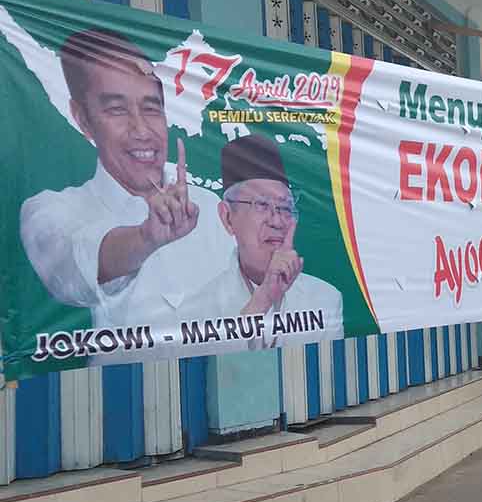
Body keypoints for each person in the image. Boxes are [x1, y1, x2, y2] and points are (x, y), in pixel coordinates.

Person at [19, 28, 233, 358]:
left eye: (151, 108)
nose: (141, 130)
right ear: (83, 119)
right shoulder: (50, 211)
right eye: (117, 110)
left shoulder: (210, 208)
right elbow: (75, 267)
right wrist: (146, 237)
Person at [179, 134, 342, 352]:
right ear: (228, 218)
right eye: (262, 205)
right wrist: (263, 298)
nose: (276, 220)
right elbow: (214, 368)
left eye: (284, 207)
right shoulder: (196, 309)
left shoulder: (326, 299)